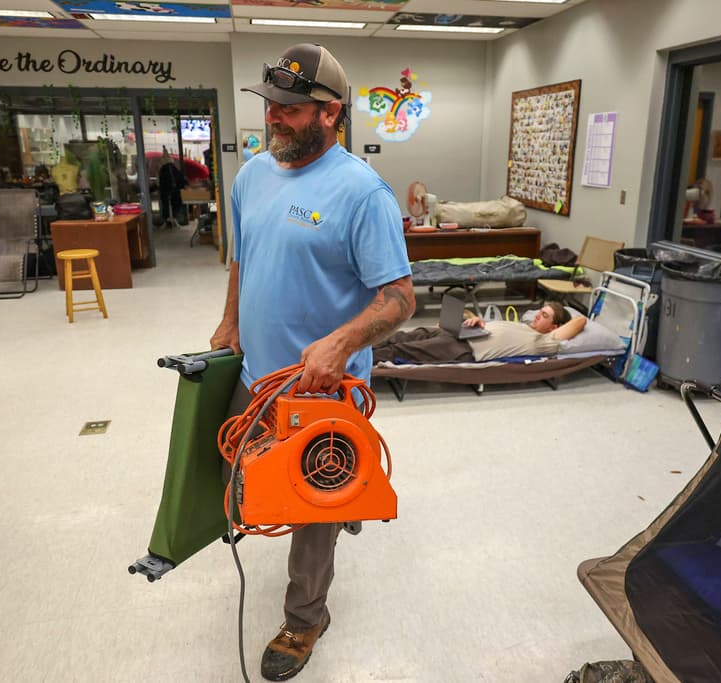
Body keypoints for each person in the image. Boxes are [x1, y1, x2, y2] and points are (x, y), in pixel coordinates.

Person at [210, 43, 415, 681]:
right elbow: (241, 258)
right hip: (255, 376)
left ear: (330, 114)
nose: (275, 118)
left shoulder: (362, 194)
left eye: (292, 109)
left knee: (309, 507)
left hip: (322, 392)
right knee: (238, 468)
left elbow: (401, 298)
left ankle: (305, 618)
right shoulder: (252, 176)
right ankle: (341, 502)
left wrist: (342, 343)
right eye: (272, 105)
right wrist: (231, 318)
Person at [372, 302, 587, 365]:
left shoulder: (544, 342)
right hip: (460, 333)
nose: (537, 316)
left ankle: (353, 363)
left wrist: (560, 327)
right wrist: (476, 321)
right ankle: (356, 349)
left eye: (545, 316)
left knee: (400, 350)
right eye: (540, 312)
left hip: (463, 349)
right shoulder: (523, 325)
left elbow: (581, 320)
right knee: (401, 335)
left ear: (554, 328)